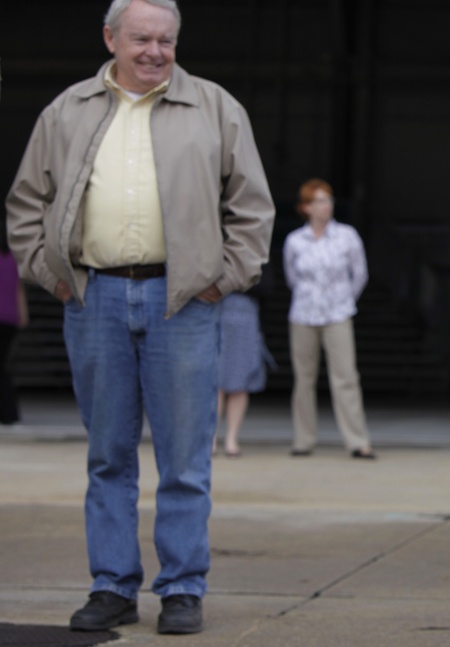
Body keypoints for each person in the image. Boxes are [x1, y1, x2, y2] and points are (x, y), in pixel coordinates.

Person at [5, 0, 274, 635]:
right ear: (110, 38)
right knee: (108, 456)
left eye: (166, 40)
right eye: (141, 39)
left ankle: (181, 587)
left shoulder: (214, 107)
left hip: (182, 302)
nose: (155, 51)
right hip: (93, 297)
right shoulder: (66, 111)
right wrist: (53, 275)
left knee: (185, 459)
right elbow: (25, 203)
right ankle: (112, 586)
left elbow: (253, 208)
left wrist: (226, 278)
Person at [283, 178, 376, 460]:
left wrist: (344, 300)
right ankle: (303, 439)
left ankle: (357, 441)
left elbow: (359, 274)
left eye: (329, 200)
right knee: (304, 379)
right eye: (320, 201)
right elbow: (292, 277)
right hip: (303, 314)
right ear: (306, 207)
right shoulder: (295, 241)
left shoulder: (347, 236)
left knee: (345, 377)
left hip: (338, 313)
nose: (327, 206)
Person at [215, 265, 276, 458]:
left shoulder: (259, 255)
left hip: (247, 319)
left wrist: (230, 283)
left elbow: (265, 287)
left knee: (241, 382)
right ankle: (210, 439)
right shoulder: (217, 246)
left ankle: (232, 438)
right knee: (215, 382)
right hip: (217, 315)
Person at [0, 233, 29, 425]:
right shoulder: (12, 260)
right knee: (3, 366)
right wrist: (24, 315)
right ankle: (9, 414)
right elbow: (19, 289)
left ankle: (9, 414)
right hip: (10, 319)